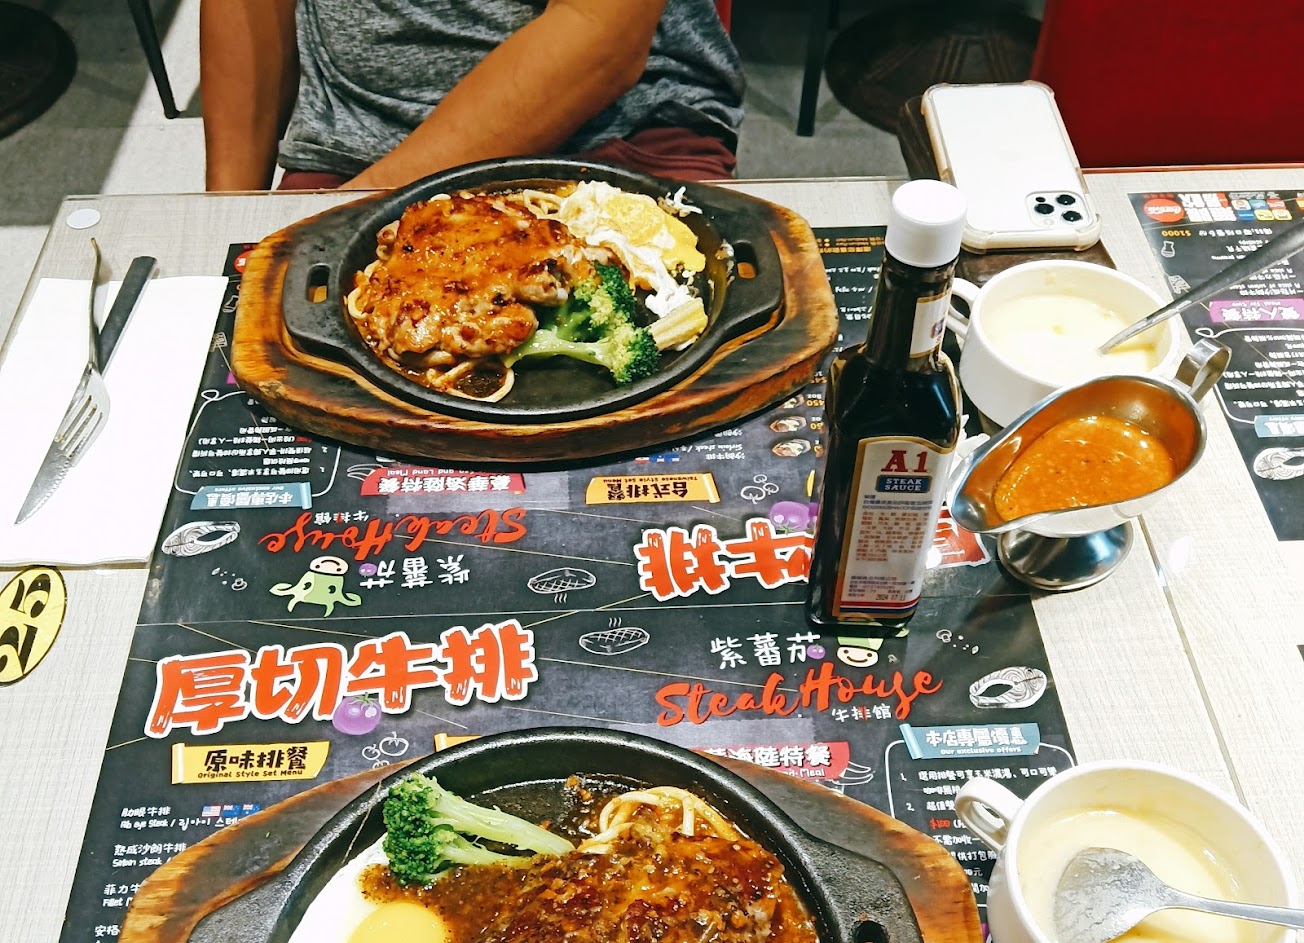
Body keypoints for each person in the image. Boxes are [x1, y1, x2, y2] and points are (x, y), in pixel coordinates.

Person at [200, 0, 744, 192]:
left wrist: (358, 213)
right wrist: (227, 219)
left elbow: (602, 33)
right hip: (349, 143)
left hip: (616, 131)